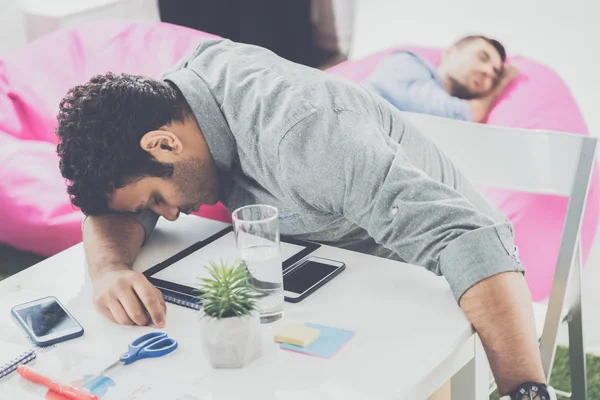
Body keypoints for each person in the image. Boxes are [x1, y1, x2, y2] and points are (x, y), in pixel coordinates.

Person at [55, 38, 555, 399]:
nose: (164, 216)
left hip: (431, 287)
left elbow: (465, 239)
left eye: (156, 198)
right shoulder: (175, 100)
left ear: (164, 145)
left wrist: (526, 393)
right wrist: (111, 269)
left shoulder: (306, 135)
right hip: (328, 281)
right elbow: (108, 213)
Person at [362, 35, 520, 123]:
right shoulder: (404, 62)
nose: (488, 72)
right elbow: (451, 115)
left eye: (496, 74)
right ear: (451, 52)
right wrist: (501, 84)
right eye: (482, 57)